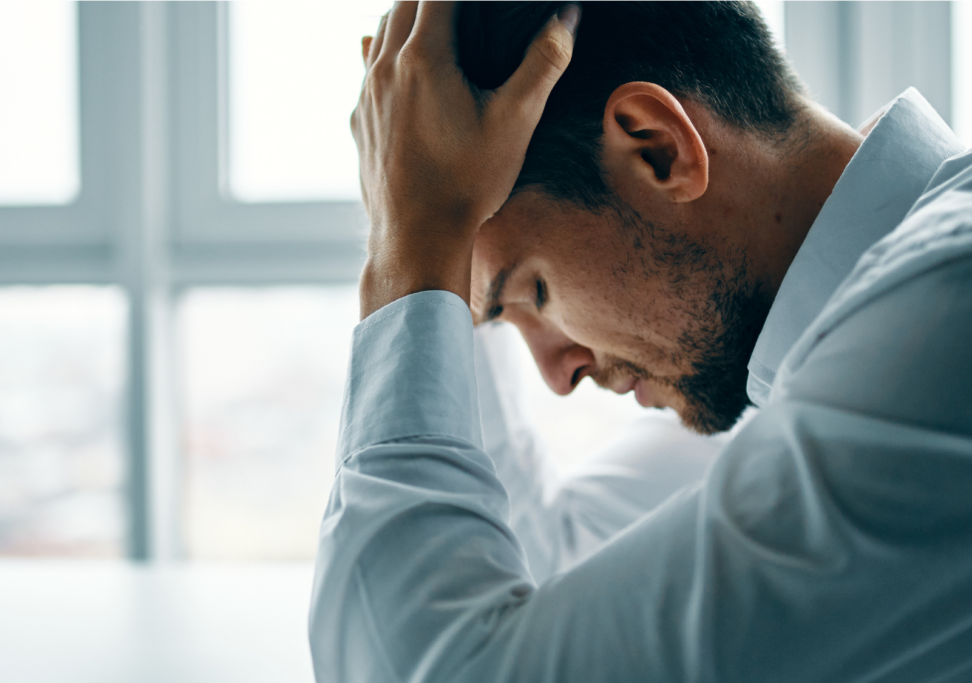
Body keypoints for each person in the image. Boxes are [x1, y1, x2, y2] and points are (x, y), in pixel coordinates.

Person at [310, 1, 972, 680]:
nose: (556, 374)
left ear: (658, 149)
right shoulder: (823, 360)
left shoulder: (936, 331)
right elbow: (557, 561)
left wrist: (411, 255)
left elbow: (440, 665)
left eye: (535, 292)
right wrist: (422, 226)